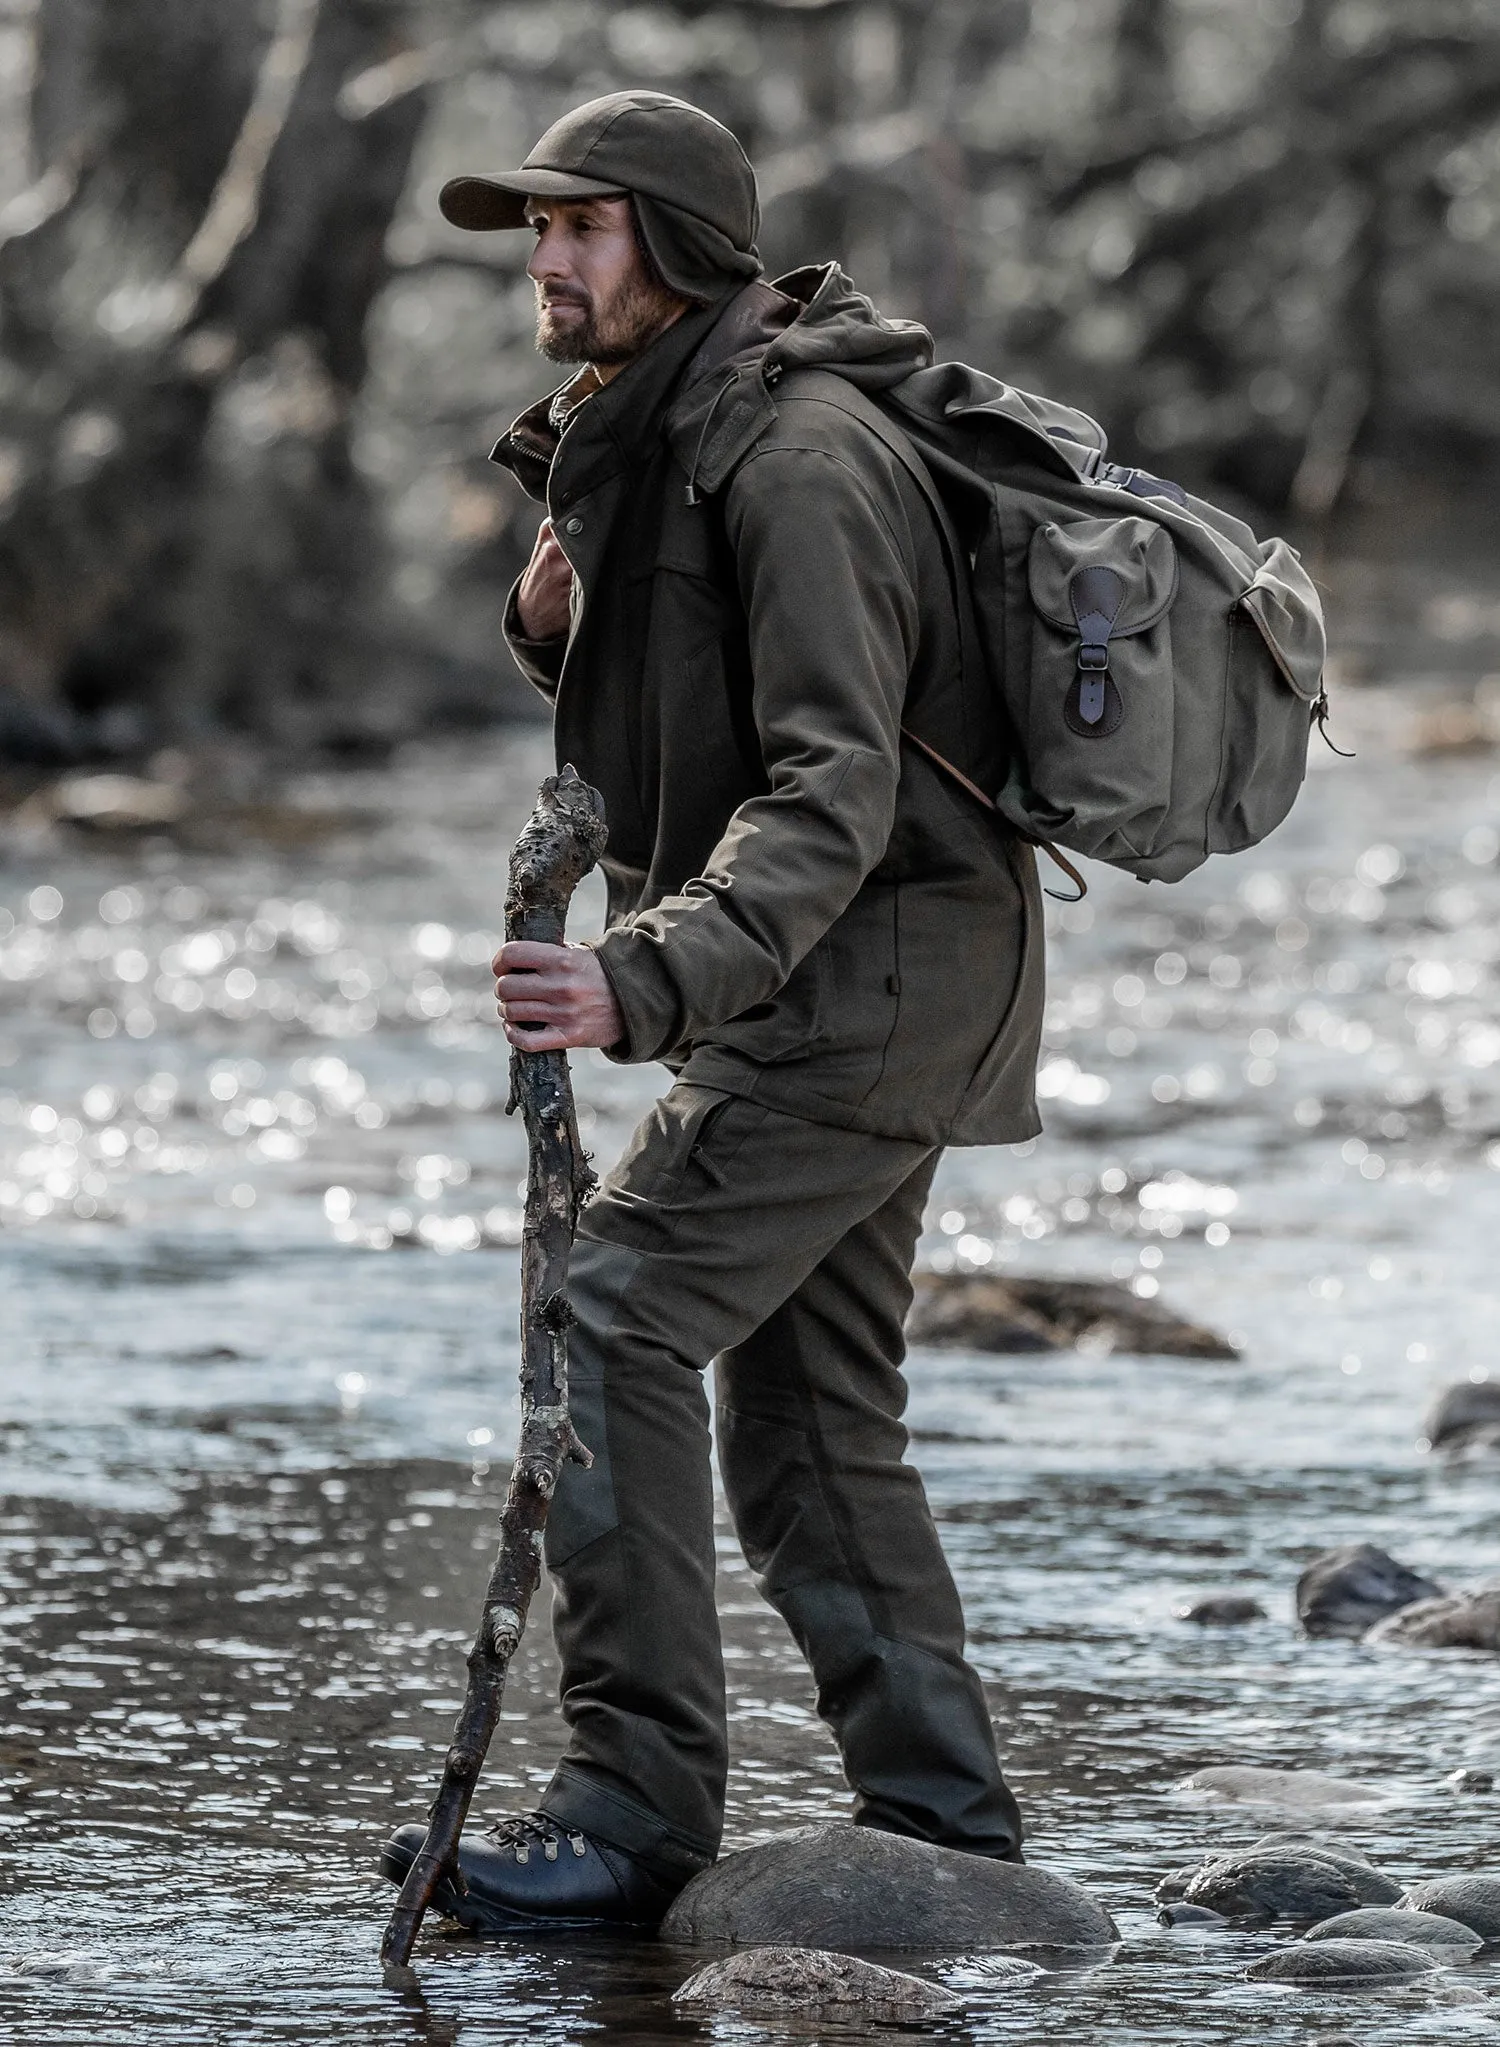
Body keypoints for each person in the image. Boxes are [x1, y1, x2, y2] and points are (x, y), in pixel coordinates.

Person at [381, 88, 1044, 1932]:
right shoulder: (667, 427)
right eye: (536, 228)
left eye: (583, 228)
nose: (546, 258)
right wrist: (551, 626)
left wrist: (631, 978)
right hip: (850, 978)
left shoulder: (798, 455)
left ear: (674, 249)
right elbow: (699, 700)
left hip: (872, 983)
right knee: (815, 1414)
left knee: (613, 1317)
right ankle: (949, 1832)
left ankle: (634, 1809)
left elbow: (829, 789)